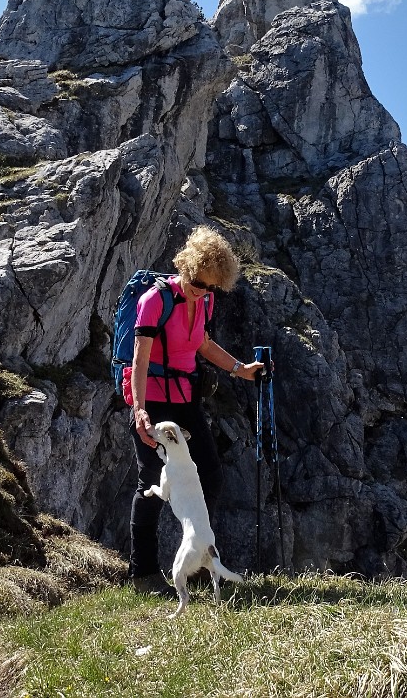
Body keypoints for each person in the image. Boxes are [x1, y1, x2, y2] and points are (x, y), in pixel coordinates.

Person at [124, 225, 263, 595]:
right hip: (152, 399)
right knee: (151, 479)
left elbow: (202, 344)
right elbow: (139, 362)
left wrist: (240, 369)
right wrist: (140, 411)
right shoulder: (155, 300)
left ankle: (200, 559)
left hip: (185, 399)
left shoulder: (205, 301)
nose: (205, 291)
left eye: (213, 287)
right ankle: (144, 575)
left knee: (212, 476)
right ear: (186, 269)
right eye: (200, 283)